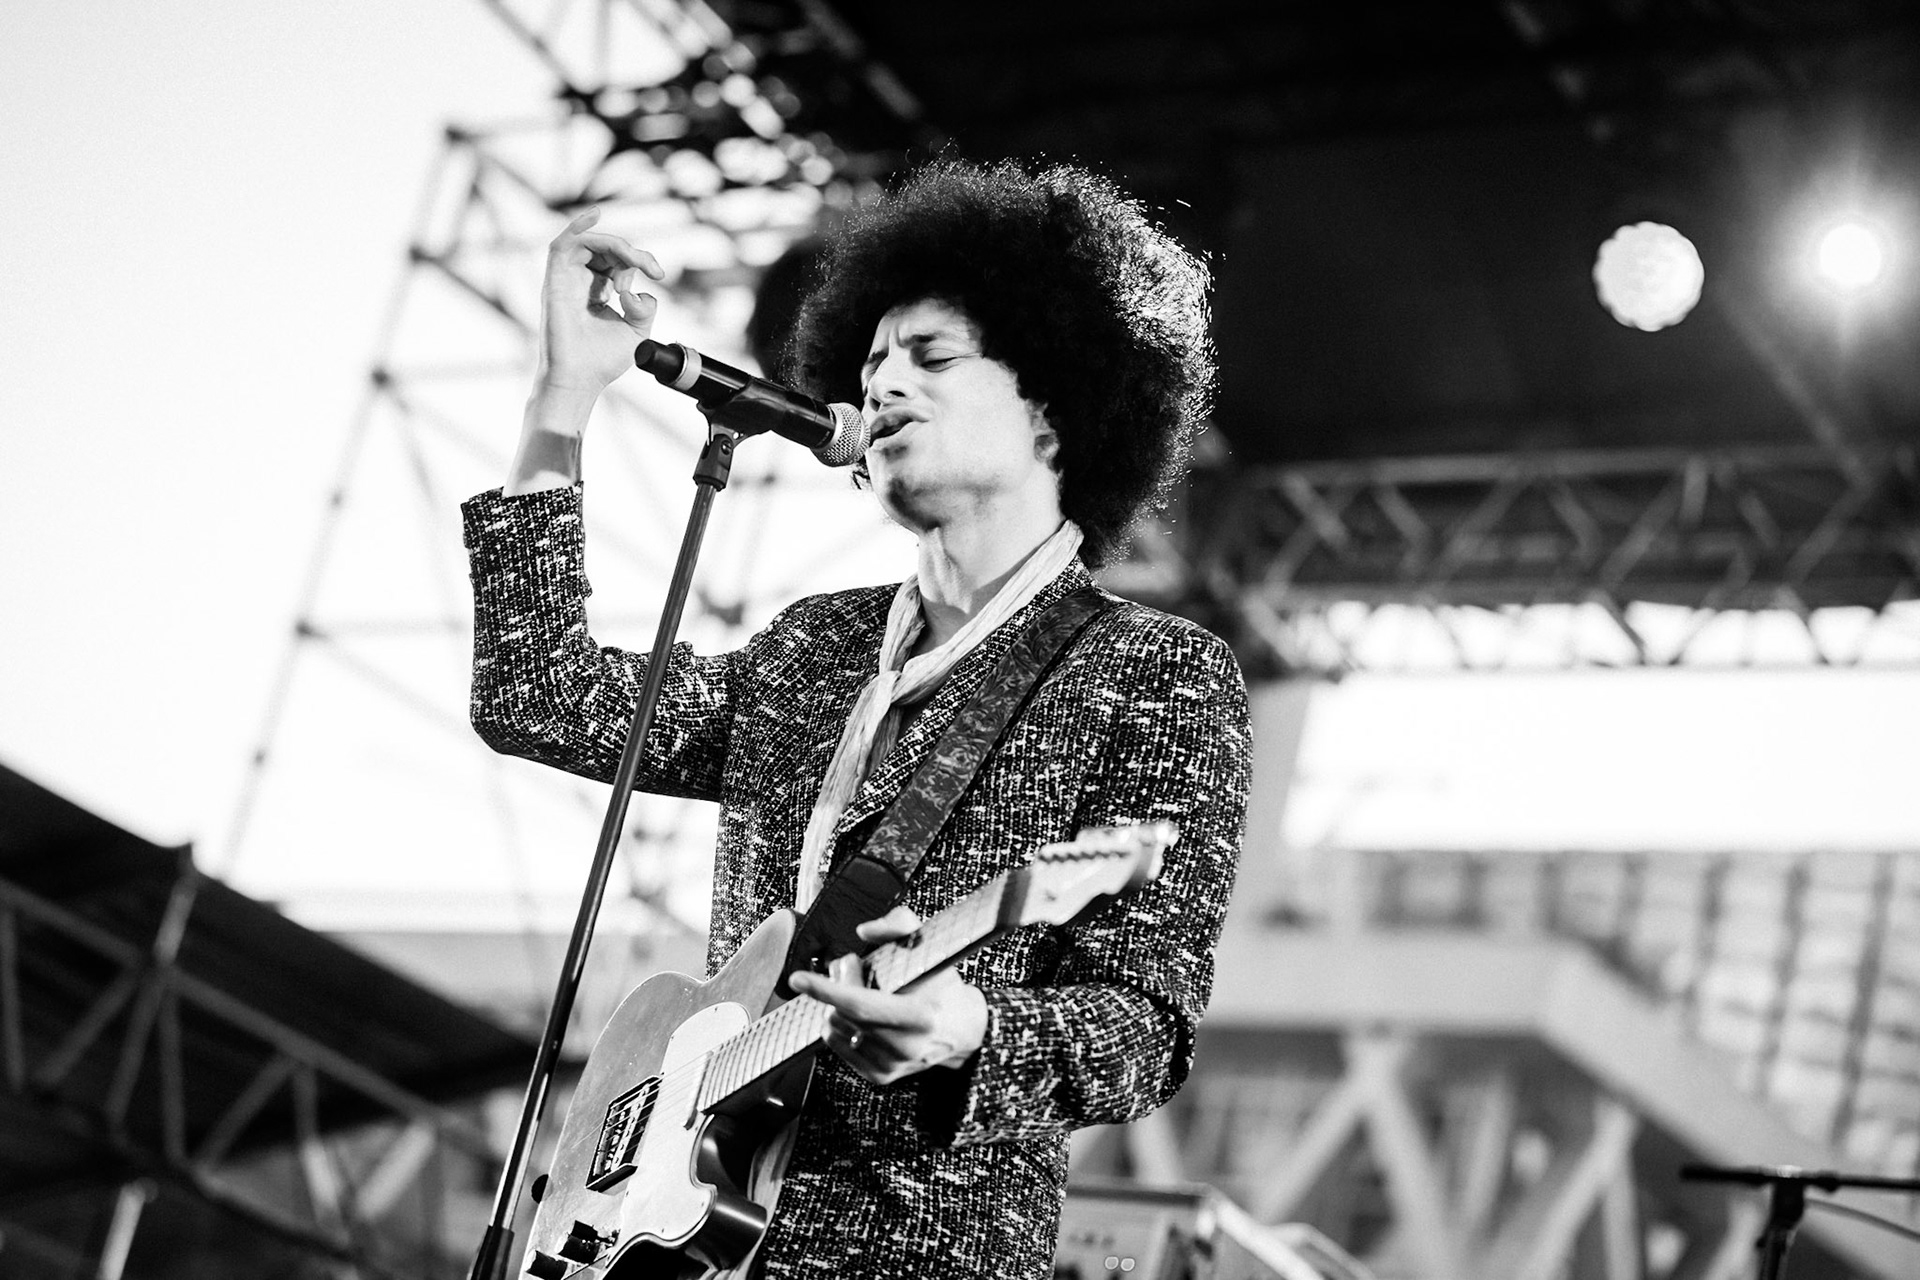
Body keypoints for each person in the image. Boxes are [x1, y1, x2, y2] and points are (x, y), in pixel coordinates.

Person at [462, 157, 1250, 1279]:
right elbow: (540, 693)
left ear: (1056, 404)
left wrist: (970, 1033)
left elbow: (1146, 1023)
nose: (882, 387)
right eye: (872, 365)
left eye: (930, 357)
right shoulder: (811, 645)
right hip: (661, 1238)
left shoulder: (1155, 671)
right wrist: (564, 394)